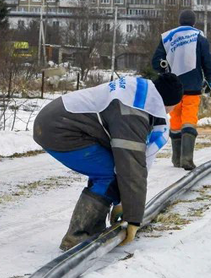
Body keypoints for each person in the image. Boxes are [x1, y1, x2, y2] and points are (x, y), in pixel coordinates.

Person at [33, 73, 184, 250]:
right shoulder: (132, 112)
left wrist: (122, 204)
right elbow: (131, 167)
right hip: (59, 129)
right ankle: (78, 239)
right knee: (109, 174)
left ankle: (94, 232)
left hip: (56, 120)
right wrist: (133, 218)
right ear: (168, 103)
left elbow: (134, 163)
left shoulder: (138, 92)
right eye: (172, 108)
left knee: (108, 169)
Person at [151, 9, 211, 171]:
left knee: (175, 119)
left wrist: (165, 66)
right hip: (193, 86)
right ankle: (187, 158)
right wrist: (210, 80)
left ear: (180, 21)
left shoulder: (167, 37)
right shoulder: (199, 37)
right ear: (194, 21)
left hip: (173, 88)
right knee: (189, 118)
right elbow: (208, 62)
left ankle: (176, 158)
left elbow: (155, 63)